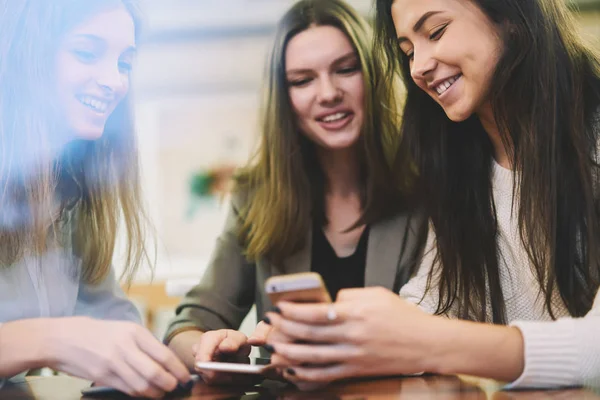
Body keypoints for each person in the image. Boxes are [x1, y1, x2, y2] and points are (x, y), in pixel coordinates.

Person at [264, 0, 600, 390]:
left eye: (436, 32)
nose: (419, 66)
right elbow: (429, 301)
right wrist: (326, 336)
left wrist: (427, 341)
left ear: (509, 17)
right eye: (407, 51)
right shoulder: (460, 165)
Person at [164, 0, 423, 385]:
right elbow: (187, 327)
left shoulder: (424, 188)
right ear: (284, 99)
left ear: (372, 75)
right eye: (303, 80)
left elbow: (440, 327)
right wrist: (209, 348)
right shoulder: (255, 196)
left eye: (346, 69)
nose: (328, 93)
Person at [0, 1, 190, 398]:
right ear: (24, 58)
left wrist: (189, 355)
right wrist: (49, 338)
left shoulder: (72, 194)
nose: (115, 82)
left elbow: (111, 319)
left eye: (124, 63)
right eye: (87, 53)